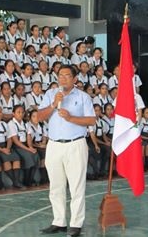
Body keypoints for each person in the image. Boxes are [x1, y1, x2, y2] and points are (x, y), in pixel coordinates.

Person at [38, 64, 96, 237]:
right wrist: (53, 104)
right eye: (60, 75)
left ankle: (76, 224)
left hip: (75, 144)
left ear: (75, 78)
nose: (62, 78)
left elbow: (91, 120)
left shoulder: (83, 97)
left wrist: (71, 118)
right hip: (54, 144)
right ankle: (59, 221)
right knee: (56, 185)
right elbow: (39, 117)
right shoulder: (50, 94)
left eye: (67, 75)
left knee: (77, 186)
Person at [9, 105, 39, 187]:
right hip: (17, 146)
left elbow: (28, 136)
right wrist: (28, 149)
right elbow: (15, 140)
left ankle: (30, 178)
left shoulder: (25, 124)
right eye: (18, 112)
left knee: (35, 155)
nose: (21, 114)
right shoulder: (11, 124)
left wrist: (30, 147)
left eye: (22, 112)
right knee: (28, 155)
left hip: (26, 145)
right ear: (13, 114)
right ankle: (26, 180)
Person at [87, 104, 111, 180]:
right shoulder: (91, 121)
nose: (97, 112)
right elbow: (92, 135)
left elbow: (103, 134)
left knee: (108, 150)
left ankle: (102, 171)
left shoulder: (102, 122)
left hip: (100, 141)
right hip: (92, 141)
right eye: (95, 110)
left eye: (99, 110)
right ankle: (96, 173)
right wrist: (97, 145)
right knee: (91, 153)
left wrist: (107, 142)